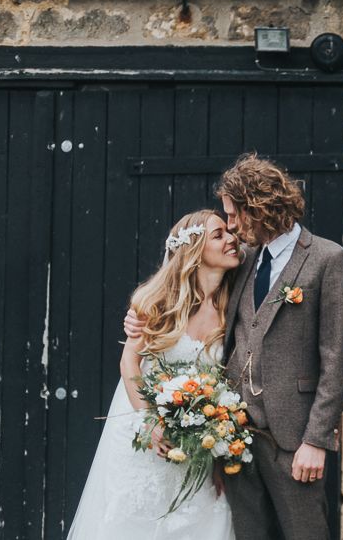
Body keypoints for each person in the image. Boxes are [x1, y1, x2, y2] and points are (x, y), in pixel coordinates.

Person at [125, 154, 343, 540]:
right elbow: (187, 282)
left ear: (260, 208)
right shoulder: (243, 259)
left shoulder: (329, 260)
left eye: (234, 216)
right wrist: (138, 321)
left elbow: (338, 359)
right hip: (235, 436)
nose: (230, 227)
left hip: (294, 438)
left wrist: (316, 441)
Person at [69, 209, 240, 540]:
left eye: (228, 231)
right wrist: (150, 421)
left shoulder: (232, 305)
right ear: (194, 251)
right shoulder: (158, 300)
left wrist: (218, 451)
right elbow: (128, 363)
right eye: (218, 235)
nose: (231, 238)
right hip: (148, 433)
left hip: (198, 447)